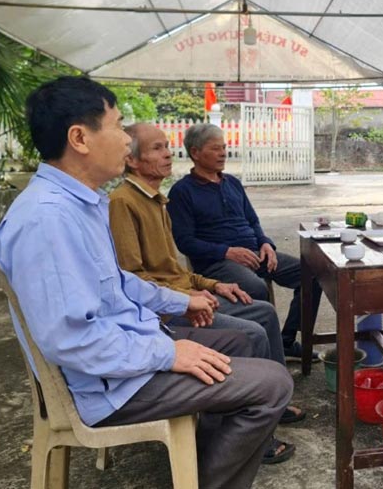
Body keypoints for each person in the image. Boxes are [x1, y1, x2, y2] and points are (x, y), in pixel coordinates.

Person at [0, 76, 293, 489]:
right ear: (79, 138)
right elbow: (70, 339)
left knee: (244, 339)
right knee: (272, 385)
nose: (125, 141)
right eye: (116, 126)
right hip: (106, 384)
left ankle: (201, 461)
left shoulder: (79, 203)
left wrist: (180, 302)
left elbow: (117, 284)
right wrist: (166, 353)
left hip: (126, 351)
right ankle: (208, 481)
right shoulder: (48, 219)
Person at [108, 123, 304, 460]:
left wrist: (214, 285)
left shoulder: (157, 200)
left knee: (265, 309)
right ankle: (258, 440)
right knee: (252, 329)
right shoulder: (124, 202)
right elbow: (133, 280)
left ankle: (275, 400)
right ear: (132, 160)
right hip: (165, 312)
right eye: (156, 148)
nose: (168, 153)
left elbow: (175, 270)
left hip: (189, 289)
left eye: (167, 146)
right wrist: (189, 299)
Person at [167, 123, 323, 361]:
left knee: (312, 274)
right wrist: (227, 252)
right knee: (256, 287)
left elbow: (252, 220)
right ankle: (261, 352)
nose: (223, 153)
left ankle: (286, 341)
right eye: (215, 148)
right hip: (217, 263)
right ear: (195, 152)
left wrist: (266, 243)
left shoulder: (232, 183)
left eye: (224, 147)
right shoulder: (182, 192)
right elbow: (185, 242)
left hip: (255, 253)